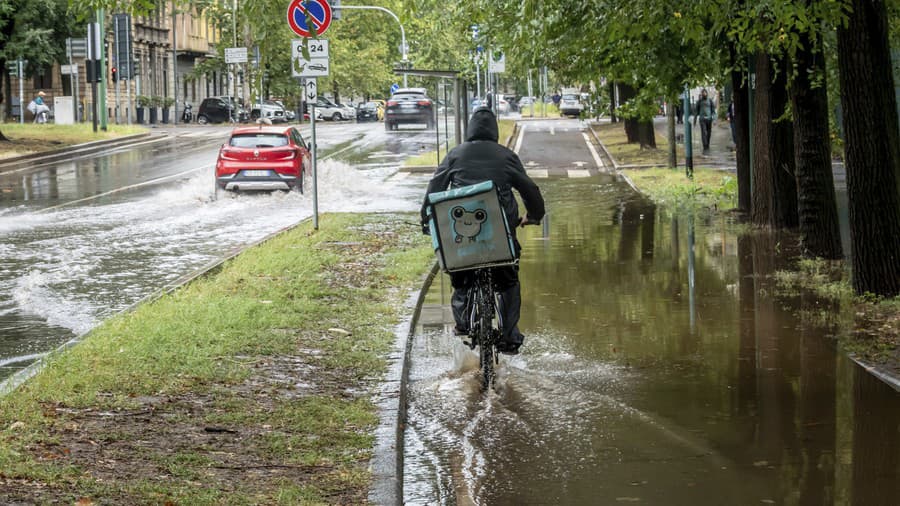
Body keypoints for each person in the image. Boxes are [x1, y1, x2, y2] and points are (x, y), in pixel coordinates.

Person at [421, 108, 545, 355]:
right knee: (509, 280)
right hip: (500, 237)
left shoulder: (455, 155)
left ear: (469, 131)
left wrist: (426, 220)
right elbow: (529, 189)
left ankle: (462, 322)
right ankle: (509, 335)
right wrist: (533, 216)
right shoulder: (506, 156)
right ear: (495, 132)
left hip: (462, 243)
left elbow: (435, 188)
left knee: (460, 273)